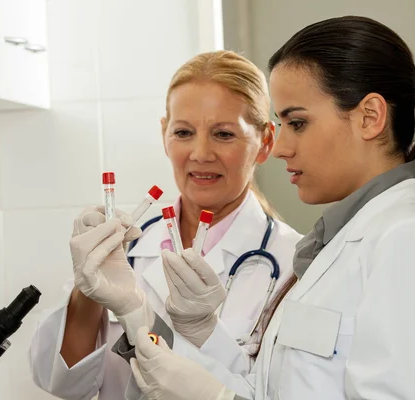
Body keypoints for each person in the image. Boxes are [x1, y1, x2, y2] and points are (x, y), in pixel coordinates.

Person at [116, 16, 415, 400]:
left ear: (370, 117)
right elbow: (275, 389)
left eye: (297, 123)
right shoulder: (344, 243)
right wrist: (191, 329)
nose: (282, 148)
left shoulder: (411, 240)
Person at [28, 50, 303, 400]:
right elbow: (62, 384)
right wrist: (88, 287)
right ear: (164, 134)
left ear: (265, 142)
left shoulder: (295, 264)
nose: (201, 153)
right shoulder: (125, 249)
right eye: (184, 132)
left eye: (223, 134)